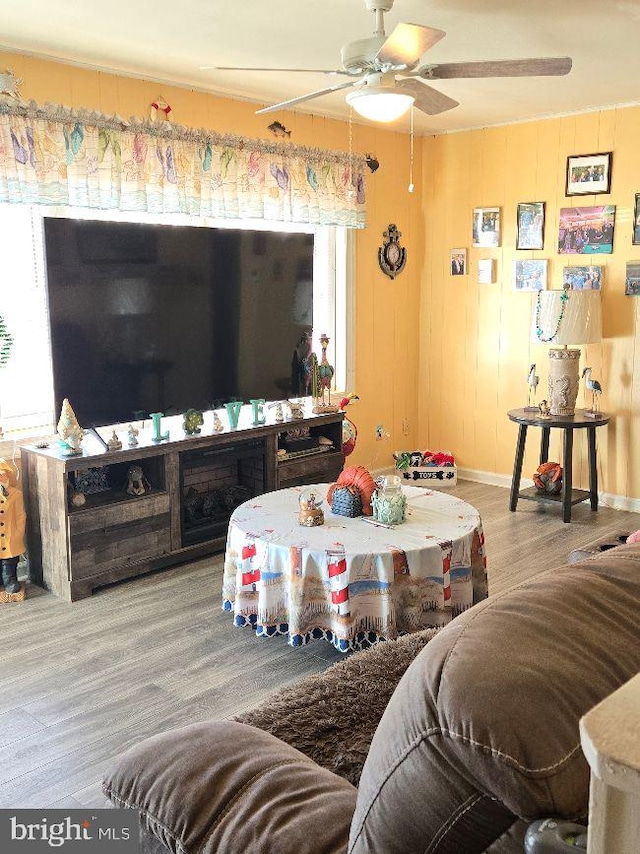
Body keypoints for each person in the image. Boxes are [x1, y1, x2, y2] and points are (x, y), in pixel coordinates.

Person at [0, 458, 26, 594]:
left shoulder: (16, 495)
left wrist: (18, 533)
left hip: (10, 535)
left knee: (9, 561)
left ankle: (10, 580)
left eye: (1, 475)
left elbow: (20, 516)